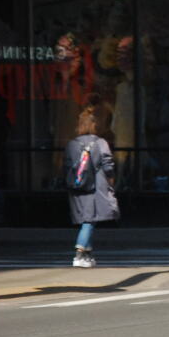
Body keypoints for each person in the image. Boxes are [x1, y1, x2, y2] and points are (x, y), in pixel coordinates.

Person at [65, 106, 118, 268]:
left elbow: (66, 165)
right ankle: (80, 253)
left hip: (77, 186)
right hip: (96, 185)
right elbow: (108, 165)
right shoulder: (100, 143)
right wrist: (111, 179)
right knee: (90, 220)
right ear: (94, 125)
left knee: (87, 218)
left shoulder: (72, 144)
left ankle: (87, 254)